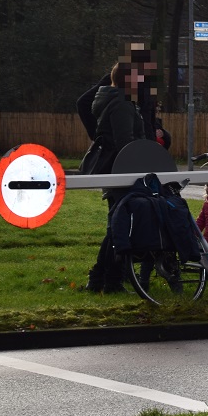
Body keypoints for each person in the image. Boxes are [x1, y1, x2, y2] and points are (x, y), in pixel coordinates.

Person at [85, 62, 146, 292]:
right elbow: (125, 143)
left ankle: (101, 279)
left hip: (115, 169)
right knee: (118, 228)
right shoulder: (122, 104)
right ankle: (108, 280)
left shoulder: (114, 99)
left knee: (116, 226)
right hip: (121, 171)